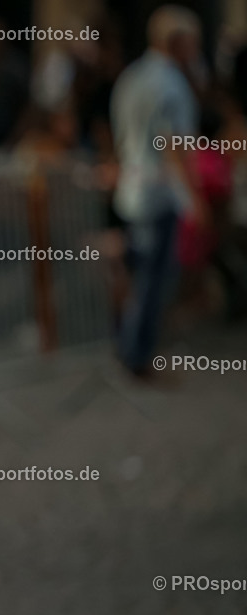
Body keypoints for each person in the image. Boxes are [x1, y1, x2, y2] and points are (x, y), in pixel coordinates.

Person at [111, 5, 204, 376]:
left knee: (142, 273)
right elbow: (174, 146)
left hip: (132, 188)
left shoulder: (132, 76)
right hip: (159, 193)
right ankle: (137, 355)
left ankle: (128, 345)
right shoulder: (170, 83)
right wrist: (194, 196)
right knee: (153, 279)